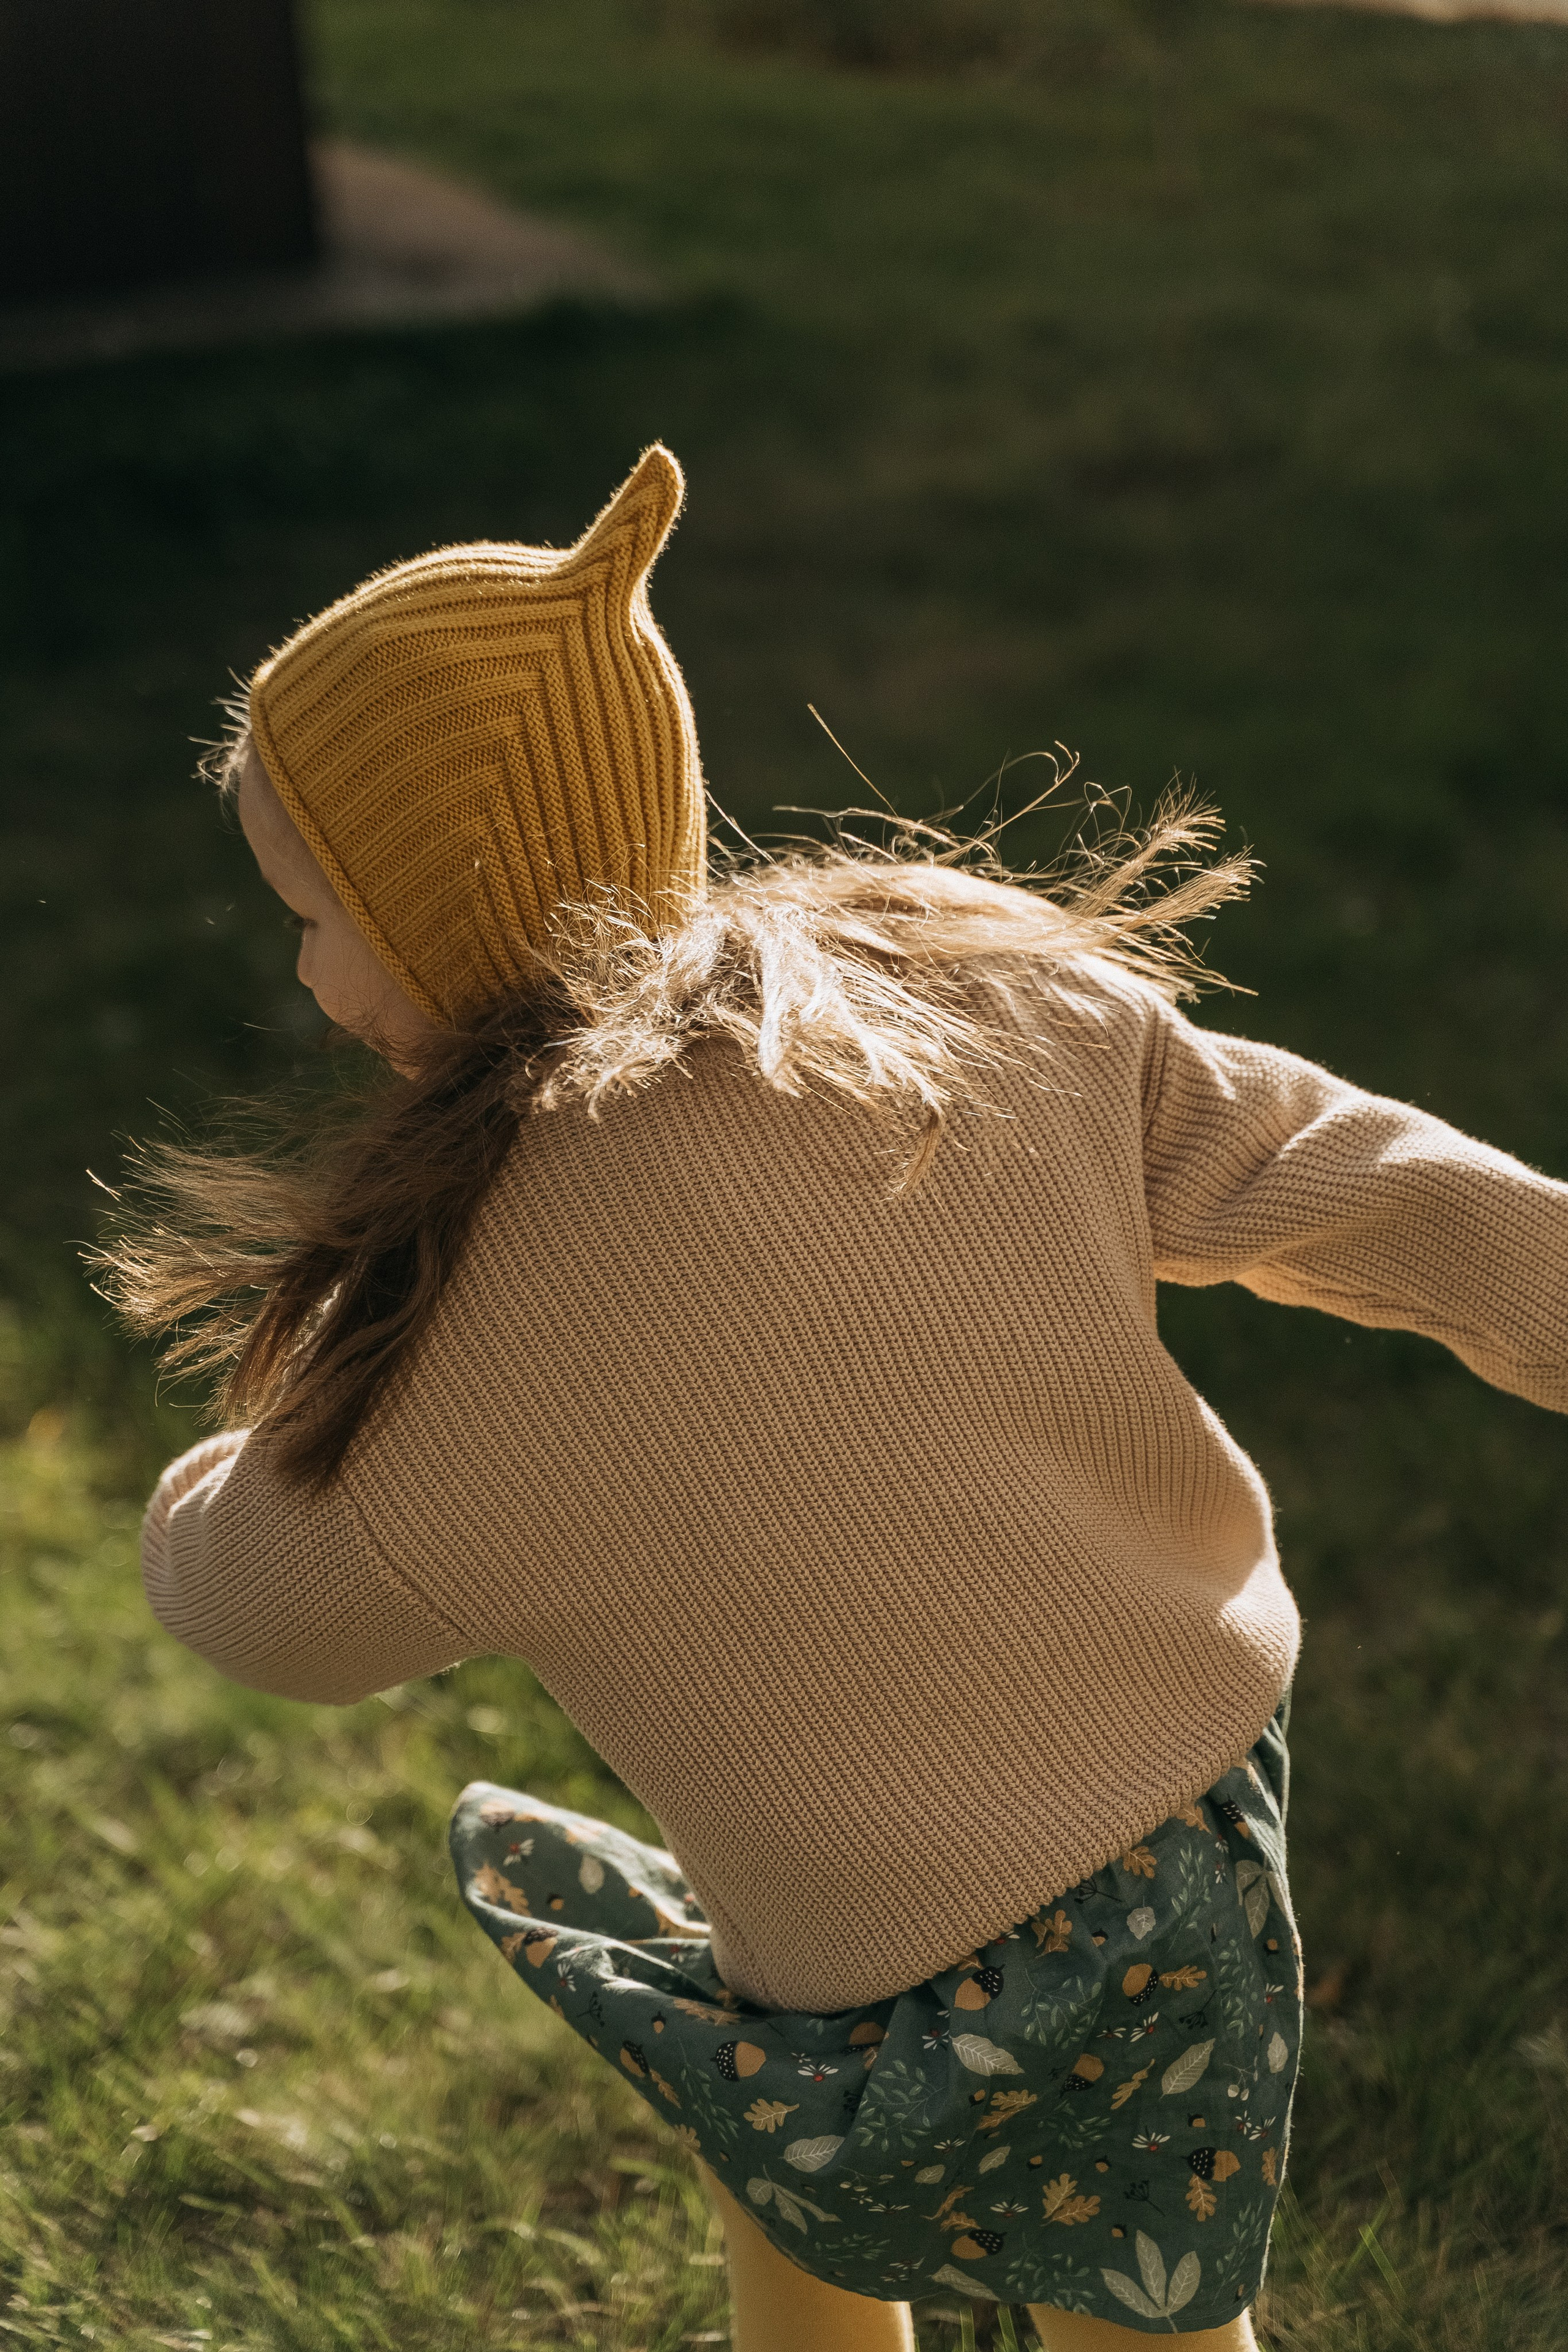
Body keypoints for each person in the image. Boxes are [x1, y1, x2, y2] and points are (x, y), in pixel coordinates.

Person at [116, 445, 1568, 2350]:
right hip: (1180, 1820)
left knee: (822, 2158)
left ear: (443, 896)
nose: (307, 977)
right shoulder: (951, 993)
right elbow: (1349, 1177)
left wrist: (244, 1456)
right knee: (1097, 2262)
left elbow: (268, 1611)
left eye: (317, 910)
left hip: (860, 1930)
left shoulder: (468, 1323)